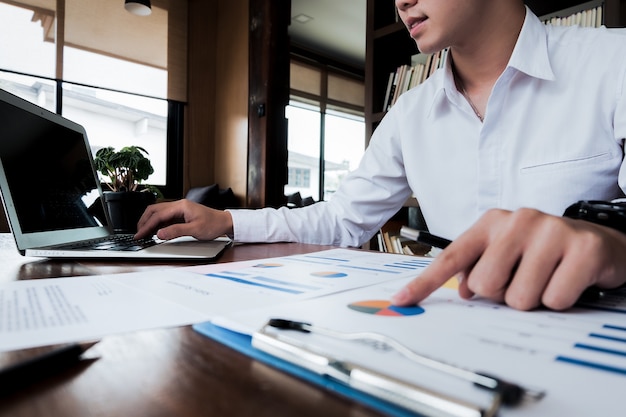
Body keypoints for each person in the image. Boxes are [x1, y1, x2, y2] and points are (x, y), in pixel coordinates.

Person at [135, 0, 626, 312]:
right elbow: (345, 220)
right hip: (447, 329)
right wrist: (227, 221)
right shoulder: (409, 113)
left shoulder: (612, 63)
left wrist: (612, 246)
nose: (400, 2)